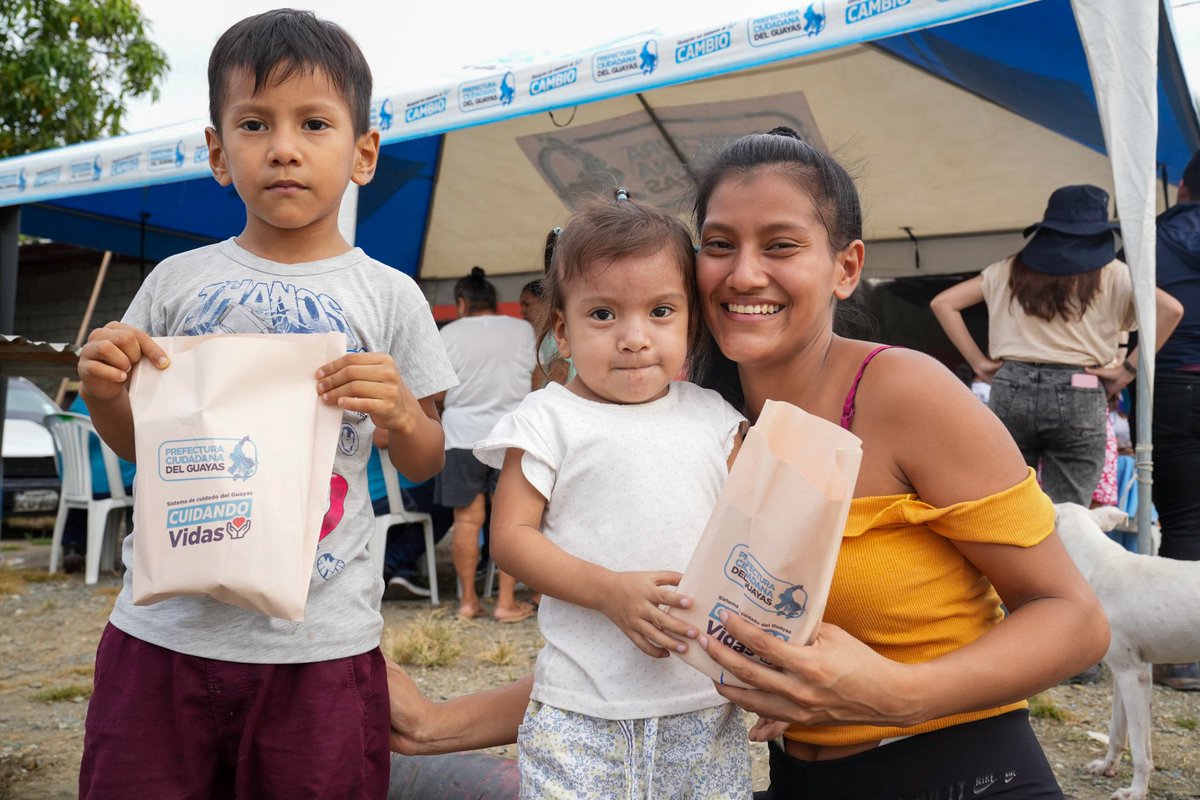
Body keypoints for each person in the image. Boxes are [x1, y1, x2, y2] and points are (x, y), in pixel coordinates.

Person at [390, 129, 1112, 800]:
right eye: (719, 243)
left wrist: (894, 693)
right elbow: (642, 658)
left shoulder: (905, 393)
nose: (744, 273)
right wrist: (435, 725)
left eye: (781, 245)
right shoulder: (692, 419)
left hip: (958, 769)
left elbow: (1074, 620)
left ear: (846, 267)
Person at [74, 10, 458, 798]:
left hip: (317, 644)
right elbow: (142, 446)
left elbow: (427, 457)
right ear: (218, 153)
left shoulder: (389, 296)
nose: (284, 146)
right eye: (254, 123)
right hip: (162, 632)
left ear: (363, 153)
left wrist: (402, 416)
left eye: (314, 123)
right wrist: (103, 389)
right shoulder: (177, 283)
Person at [475, 192, 753, 798]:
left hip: (705, 709)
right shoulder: (547, 418)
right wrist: (608, 592)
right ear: (563, 333)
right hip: (579, 712)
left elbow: (754, 539)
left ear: (691, 325)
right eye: (603, 315)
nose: (633, 338)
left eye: (660, 312)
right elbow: (511, 538)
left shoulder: (716, 419)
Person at [929, 183, 1182, 506]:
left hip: (1012, 386)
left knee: (1006, 506)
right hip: (1081, 387)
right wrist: (1127, 371)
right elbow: (1171, 310)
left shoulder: (1008, 269)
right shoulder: (1114, 274)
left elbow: (943, 302)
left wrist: (978, 363)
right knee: (1070, 515)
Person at [434, 267, 537, 622]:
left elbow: (438, 391)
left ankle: (467, 602)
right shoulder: (523, 329)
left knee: (467, 521)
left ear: (462, 303)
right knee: (511, 521)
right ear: (493, 301)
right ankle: (506, 603)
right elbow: (537, 381)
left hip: (461, 436)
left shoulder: (450, 334)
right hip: (511, 436)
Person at [1148, 149, 1200, 691]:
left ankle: (1182, 657)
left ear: (1183, 186)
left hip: (1175, 381)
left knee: (1183, 519)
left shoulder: (1153, 237)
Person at [367, 428, 452, 599]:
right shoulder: (368, 411)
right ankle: (390, 562)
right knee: (449, 505)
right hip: (390, 493)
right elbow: (381, 438)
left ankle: (404, 572)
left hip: (370, 495)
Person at [520, 276, 572, 388]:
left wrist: (541, 398)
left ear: (545, 302)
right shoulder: (543, 333)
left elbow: (560, 373)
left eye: (527, 304)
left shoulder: (555, 333)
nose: (522, 311)